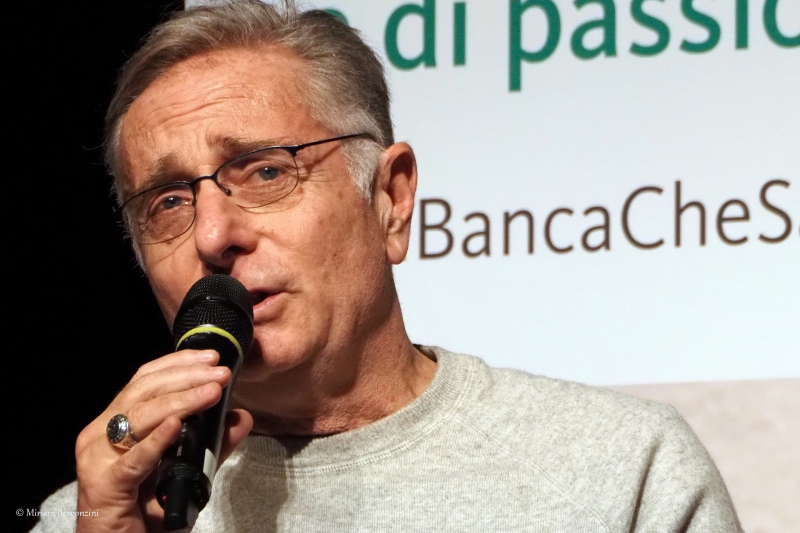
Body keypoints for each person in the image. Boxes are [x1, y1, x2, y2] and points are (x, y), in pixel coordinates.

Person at [34, 1, 742, 531]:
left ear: (390, 200)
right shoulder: (98, 513)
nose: (215, 235)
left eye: (265, 171)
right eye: (169, 202)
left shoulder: (623, 468)